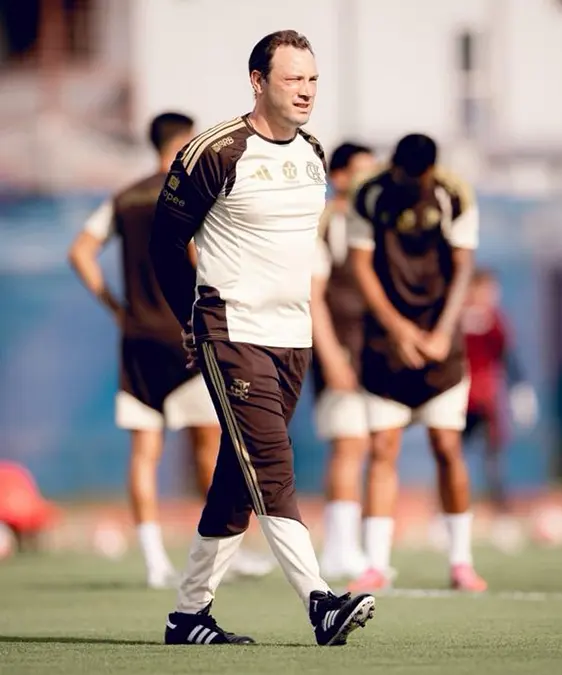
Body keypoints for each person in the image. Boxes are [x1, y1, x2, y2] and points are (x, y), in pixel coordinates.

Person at [149, 30, 376, 646]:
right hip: (233, 331)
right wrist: (190, 320)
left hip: (292, 337)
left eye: (312, 79)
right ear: (258, 82)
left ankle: (188, 615)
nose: (305, 91)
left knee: (237, 480)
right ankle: (321, 604)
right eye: (291, 79)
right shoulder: (215, 152)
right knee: (273, 467)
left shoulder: (313, 151)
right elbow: (163, 242)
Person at [69, 112, 274, 590]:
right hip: (187, 336)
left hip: (138, 338)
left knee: (145, 451)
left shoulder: (125, 195)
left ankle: (153, 560)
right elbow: (195, 256)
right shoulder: (188, 191)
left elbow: (80, 251)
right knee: (209, 447)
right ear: (183, 141)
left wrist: (115, 308)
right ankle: (228, 553)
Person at [345, 133, 487, 593]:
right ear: (397, 169)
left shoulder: (453, 193)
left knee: (447, 447)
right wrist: (399, 331)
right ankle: (375, 565)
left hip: (441, 345)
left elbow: (463, 266)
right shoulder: (370, 194)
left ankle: (461, 561)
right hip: (385, 347)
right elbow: (361, 267)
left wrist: (443, 331)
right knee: (382, 449)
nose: (414, 183)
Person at [310, 142, 379, 580]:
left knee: (371, 444)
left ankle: (359, 547)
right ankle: (338, 549)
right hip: (343, 348)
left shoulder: (373, 220)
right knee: (349, 444)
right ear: (339, 177)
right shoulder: (326, 224)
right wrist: (332, 355)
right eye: (362, 172)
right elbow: (313, 296)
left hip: (374, 351)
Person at [462, 269, 538, 514]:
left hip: (487, 402)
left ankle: (502, 515)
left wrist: (520, 391)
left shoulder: (495, 320)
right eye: (484, 289)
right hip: (458, 402)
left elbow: (508, 356)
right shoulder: (454, 318)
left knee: (494, 462)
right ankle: (448, 514)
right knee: (452, 459)